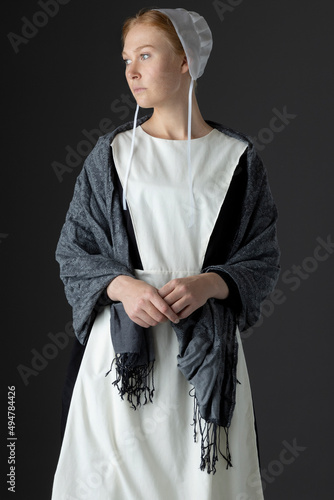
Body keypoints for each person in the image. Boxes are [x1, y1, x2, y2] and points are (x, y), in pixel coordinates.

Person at [51, 7, 280, 500]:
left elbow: (261, 258)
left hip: (204, 364)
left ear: (185, 62)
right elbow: (74, 250)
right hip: (121, 359)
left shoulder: (238, 158)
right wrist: (123, 286)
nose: (131, 70)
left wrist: (210, 283)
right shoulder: (111, 154)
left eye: (146, 55)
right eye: (126, 58)